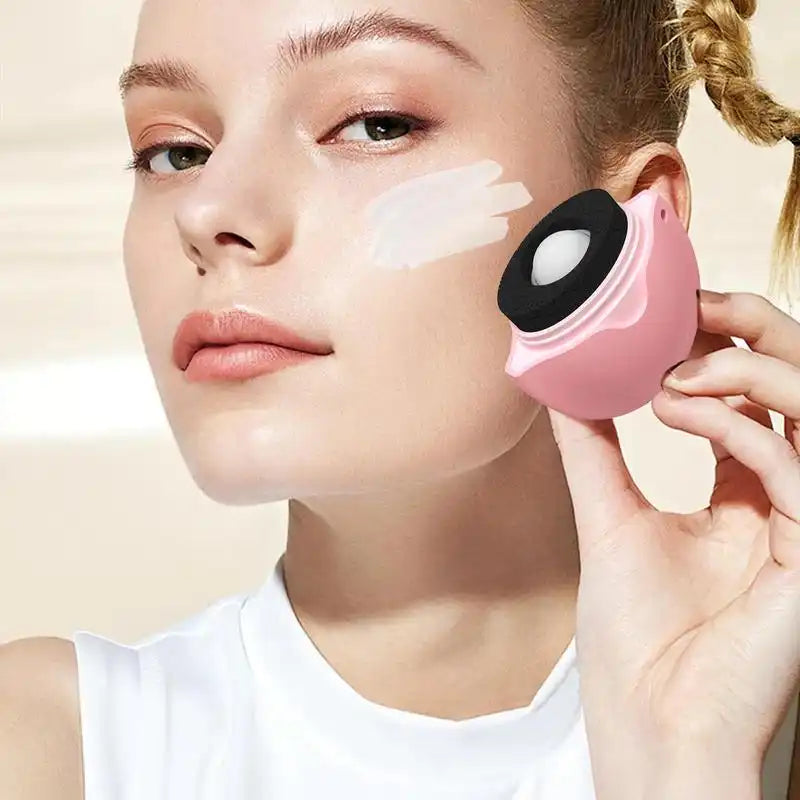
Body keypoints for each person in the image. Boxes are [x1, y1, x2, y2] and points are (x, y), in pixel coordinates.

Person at [1, 0, 799, 798]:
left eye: (374, 124)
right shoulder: (48, 748)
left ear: (625, 223)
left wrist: (689, 766)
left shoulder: (751, 722)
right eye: (175, 153)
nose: (207, 211)